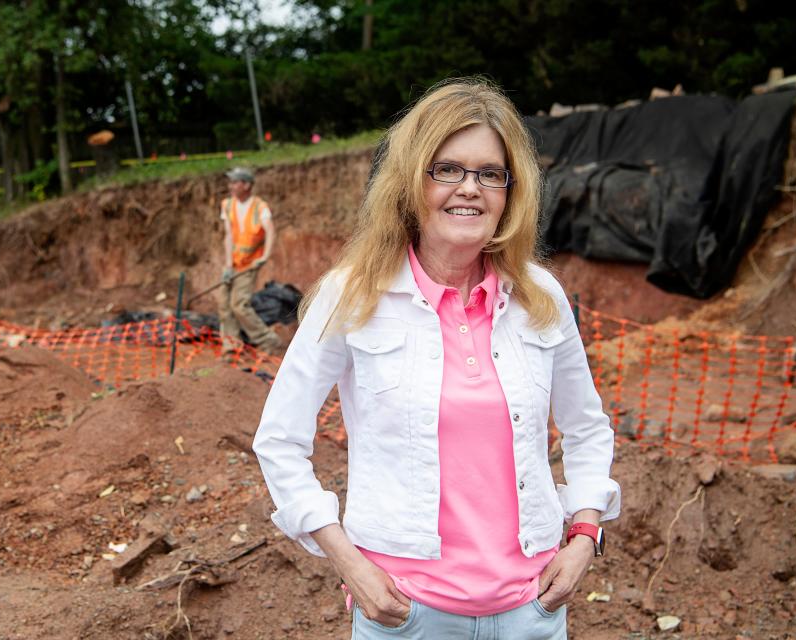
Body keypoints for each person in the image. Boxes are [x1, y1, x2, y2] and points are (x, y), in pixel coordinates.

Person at [253, 78, 621, 639]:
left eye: (489, 174)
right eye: (446, 169)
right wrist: (349, 562)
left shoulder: (540, 297)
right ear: (409, 181)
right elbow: (279, 439)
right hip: (406, 614)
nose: (469, 188)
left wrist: (585, 536)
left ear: (510, 191)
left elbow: (587, 428)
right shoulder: (353, 295)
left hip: (533, 612)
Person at [218, 166, 283, 355]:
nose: (231, 186)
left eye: (234, 182)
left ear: (246, 185)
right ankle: (231, 345)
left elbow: (270, 230)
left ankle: (267, 339)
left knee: (239, 305)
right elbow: (229, 235)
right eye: (230, 182)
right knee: (224, 305)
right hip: (233, 263)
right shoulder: (227, 205)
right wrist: (228, 264)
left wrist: (265, 257)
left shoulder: (259, 206)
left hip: (250, 264)